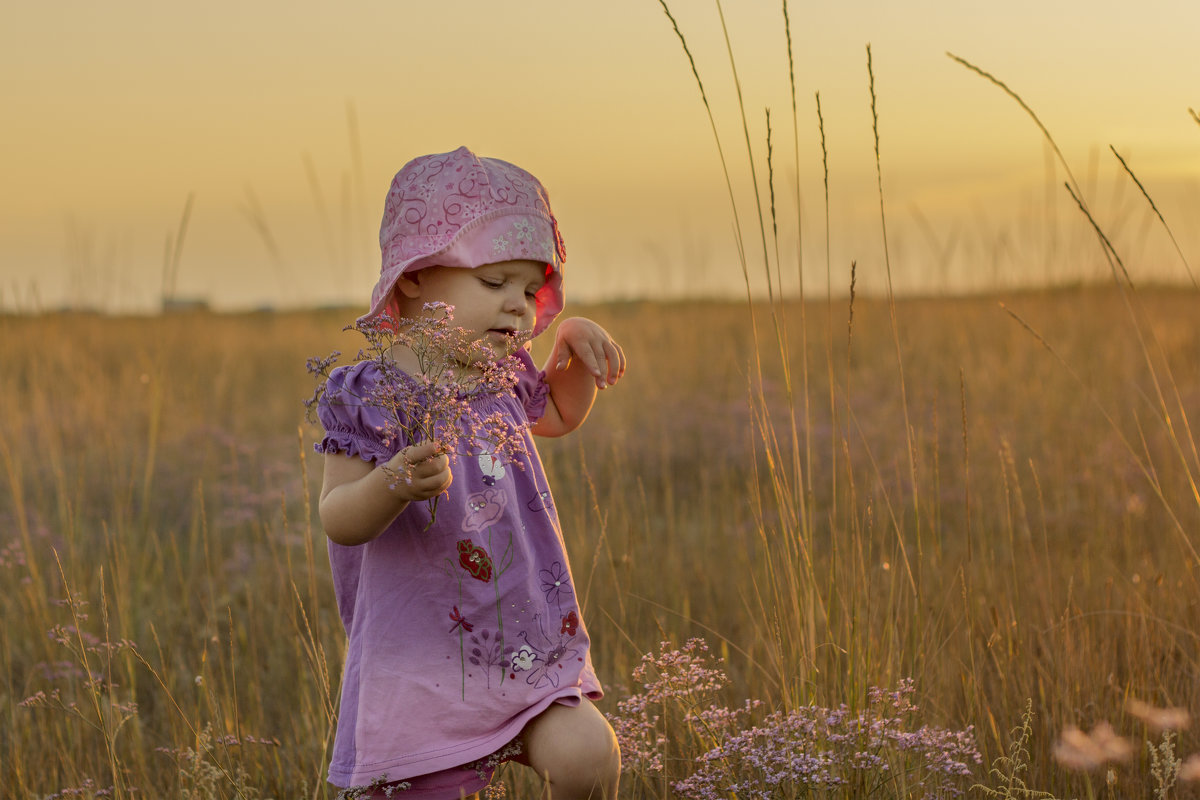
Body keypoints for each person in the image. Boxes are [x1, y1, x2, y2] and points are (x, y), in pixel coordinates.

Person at [314, 147, 625, 800]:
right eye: (493, 283)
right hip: (425, 670)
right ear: (414, 277)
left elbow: (560, 414)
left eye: (528, 288)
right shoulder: (369, 394)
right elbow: (337, 517)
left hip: (521, 646)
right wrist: (392, 483)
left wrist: (571, 343)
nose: (517, 307)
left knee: (589, 757)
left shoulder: (501, 372)